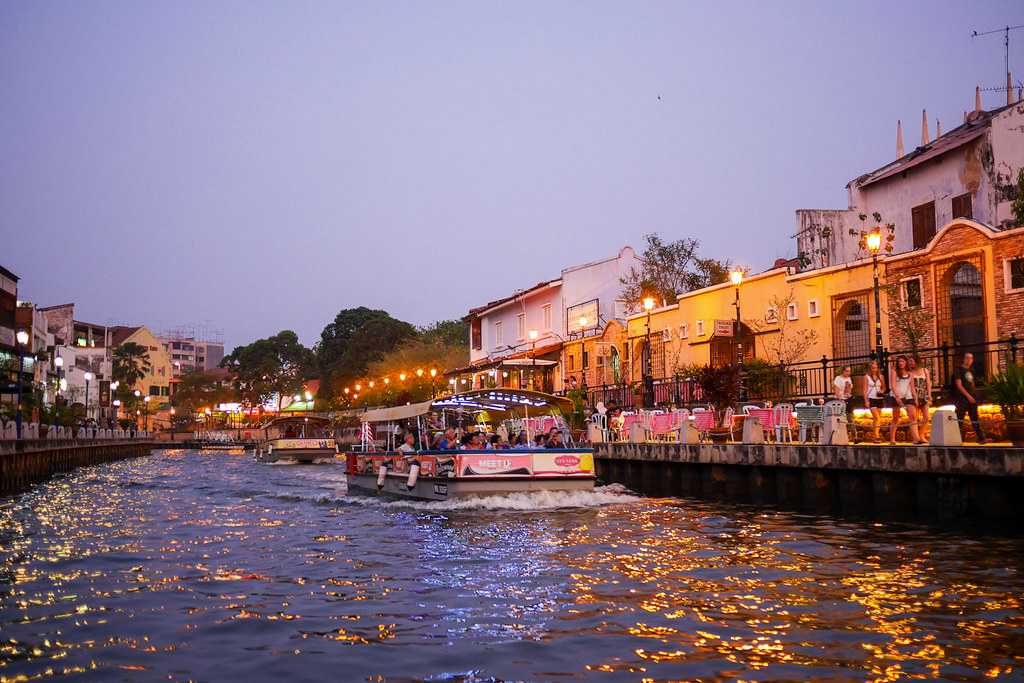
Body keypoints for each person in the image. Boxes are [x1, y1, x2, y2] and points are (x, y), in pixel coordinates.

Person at [951, 352, 989, 443]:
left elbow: (972, 384)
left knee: (975, 419)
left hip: (972, 398)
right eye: (967, 358)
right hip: (962, 399)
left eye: (971, 358)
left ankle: (981, 438)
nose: (969, 360)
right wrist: (968, 396)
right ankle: (954, 439)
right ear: (963, 359)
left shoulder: (971, 371)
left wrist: (974, 395)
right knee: (959, 419)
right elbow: (959, 386)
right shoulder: (958, 370)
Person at [888, 355, 921, 444]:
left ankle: (916, 438)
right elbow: (893, 385)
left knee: (913, 416)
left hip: (907, 396)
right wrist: (897, 397)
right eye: (899, 362)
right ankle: (892, 439)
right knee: (895, 418)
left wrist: (915, 398)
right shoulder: (894, 371)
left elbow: (912, 387)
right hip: (896, 396)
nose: (901, 363)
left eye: (902, 361)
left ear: (906, 362)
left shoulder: (910, 373)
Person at [908, 355, 932, 436]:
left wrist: (929, 395)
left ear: (916, 361)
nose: (910, 363)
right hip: (913, 395)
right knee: (915, 417)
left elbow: (928, 383)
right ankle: (916, 437)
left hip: (923, 395)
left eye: (911, 361)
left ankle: (921, 434)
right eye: (909, 361)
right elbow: (910, 386)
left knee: (926, 417)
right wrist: (915, 398)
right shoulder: (910, 372)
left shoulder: (925, 370)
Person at [864, 360, 886, 442]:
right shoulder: (866, 377)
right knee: (876, 417)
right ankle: (876, 436)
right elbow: (865, 390)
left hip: (879, 398)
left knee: (877, 418)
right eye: (873, 368)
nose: (874, 369)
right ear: (870, 368)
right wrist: (866, 401)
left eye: (876, 368)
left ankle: (875, 435)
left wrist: (882, 391)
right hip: (871, 398)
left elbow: (884, 387)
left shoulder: (881, 376)